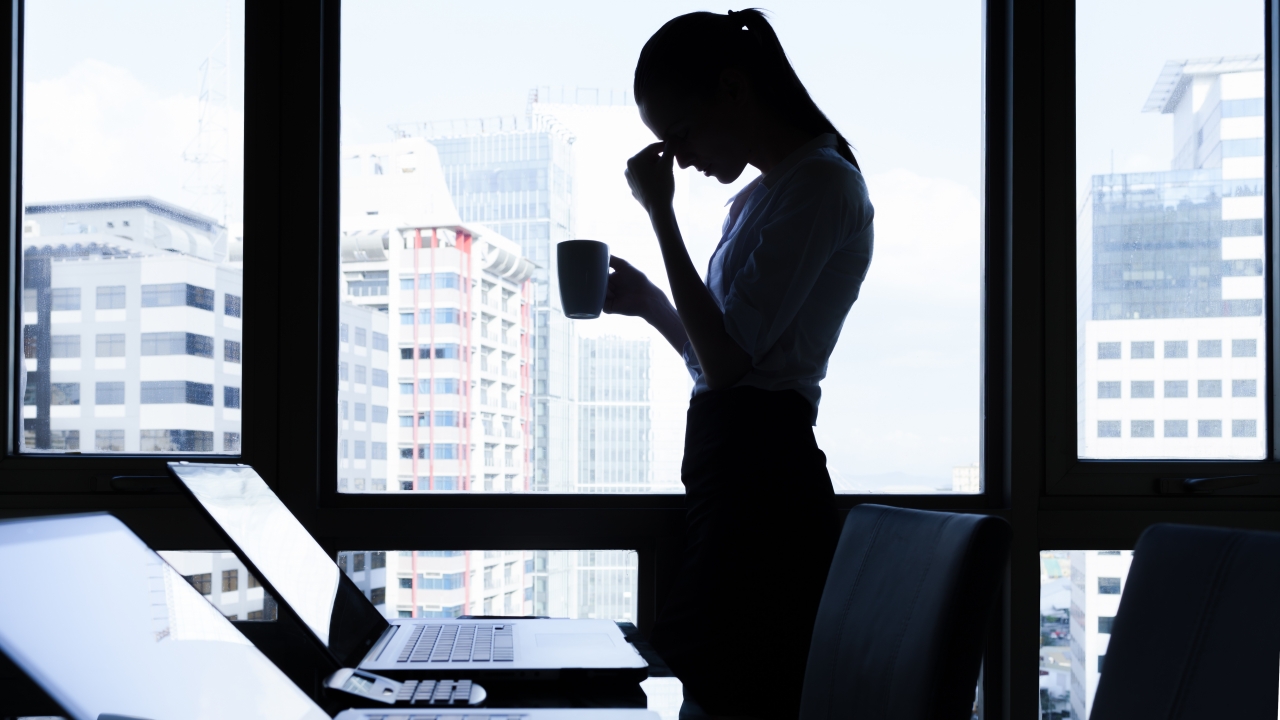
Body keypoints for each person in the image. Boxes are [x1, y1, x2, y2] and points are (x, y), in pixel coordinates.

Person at [604, 9, 874, 719]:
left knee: (718, 684)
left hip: (764, 486)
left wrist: (659, 216)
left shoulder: (822, 186)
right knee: (708, 682)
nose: (680, 157)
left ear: (732, 88)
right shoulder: (762, 196)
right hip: (737, 472)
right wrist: (651, 303)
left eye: (681, 134)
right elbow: (718, 362)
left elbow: (727, 368)